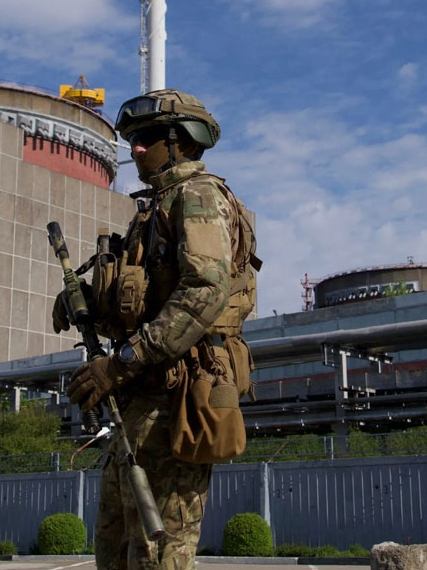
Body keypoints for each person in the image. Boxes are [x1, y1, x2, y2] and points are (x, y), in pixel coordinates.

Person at [53, 89, 258, 570]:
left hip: (178, 401)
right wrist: (88, 305)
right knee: (116, 545)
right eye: (133, 140)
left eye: (147, 139)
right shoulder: (156, 209)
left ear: (181, 142)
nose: (136, 149)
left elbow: (204, 292)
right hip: (141, 400)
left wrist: (120, 363)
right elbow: (145, 304)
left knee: (158, 551)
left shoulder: (198, 197)